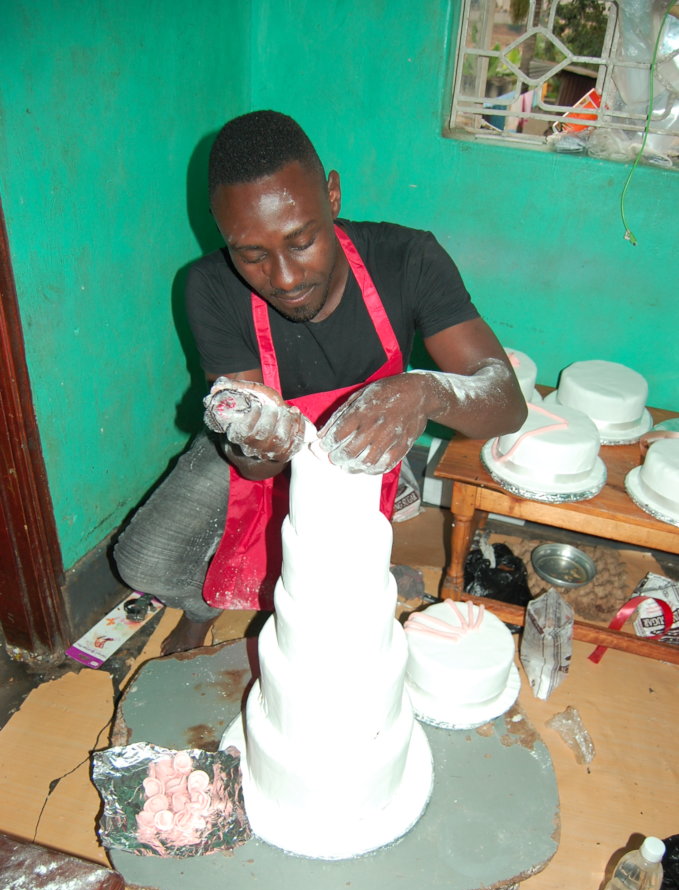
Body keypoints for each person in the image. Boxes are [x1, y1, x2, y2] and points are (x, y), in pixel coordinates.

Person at [114, 110, 526, 655]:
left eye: (302, 241)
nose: (283, 278)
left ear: (332, 196)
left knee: (326, 589)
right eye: (252, 254)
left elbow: (505, 400)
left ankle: (387, 494)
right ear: (224, 235)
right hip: (266, 443)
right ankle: (202, 603)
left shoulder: (408, 259)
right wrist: (261, 436)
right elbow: (253, 466)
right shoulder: (209, 287)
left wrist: (424, 389)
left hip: (359, 438)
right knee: (142, 562)